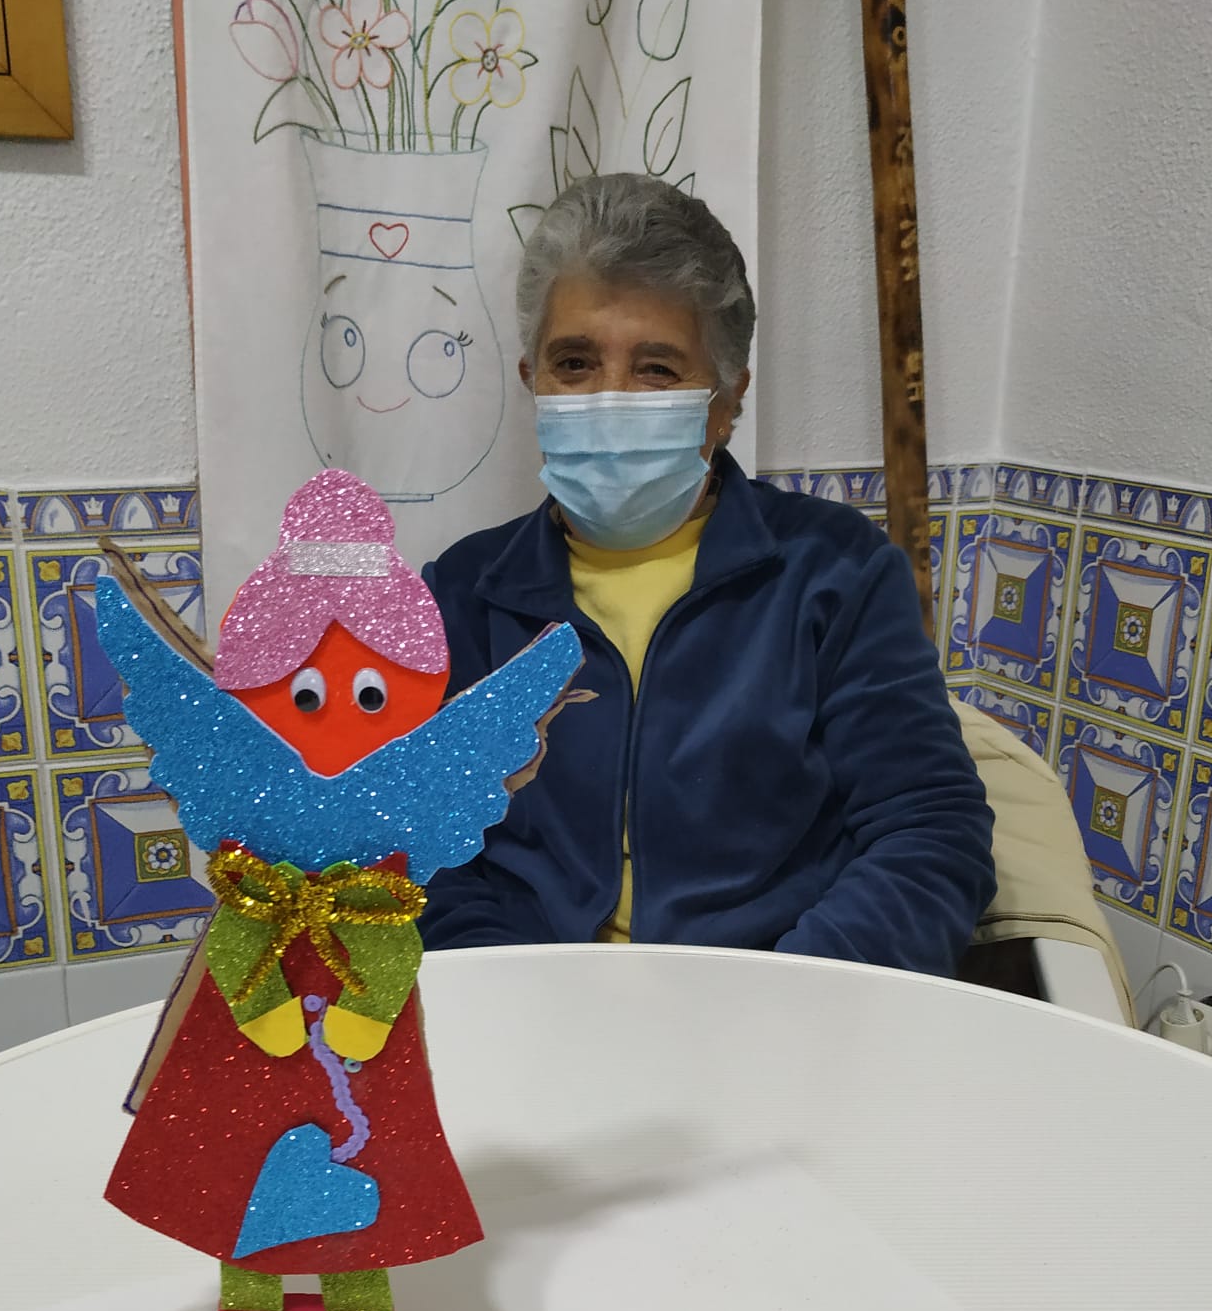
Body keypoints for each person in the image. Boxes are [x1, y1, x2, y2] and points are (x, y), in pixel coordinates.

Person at [421, 173, 995, 975]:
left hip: (772, 1003)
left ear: (726, 401)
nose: (609, 399)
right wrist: (514, 992)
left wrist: (790, 1001)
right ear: (533, 382)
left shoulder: (835, 575)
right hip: (524, 1000)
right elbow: (419, 843)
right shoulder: (461, 593)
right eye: (575, 362)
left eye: (656, 369)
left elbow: (930, 831)